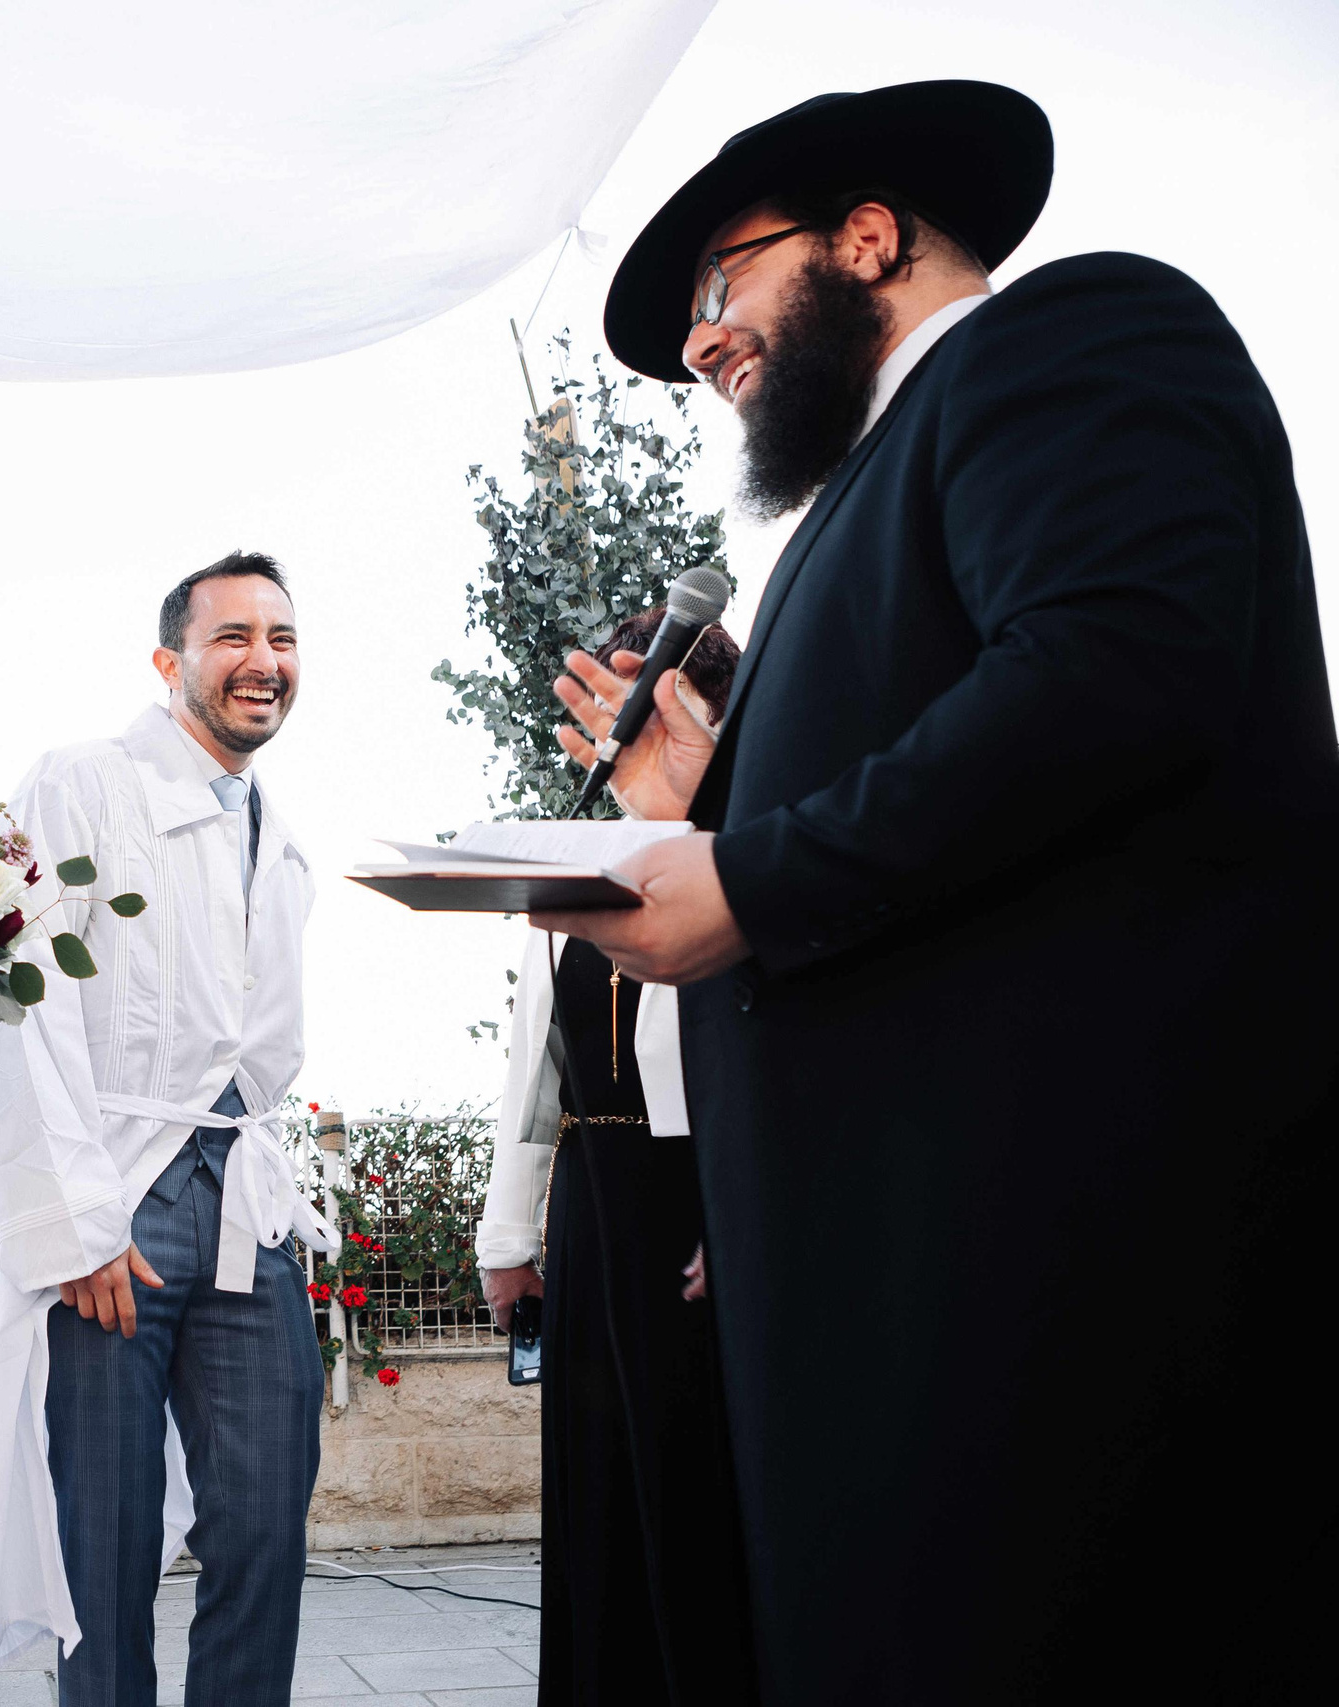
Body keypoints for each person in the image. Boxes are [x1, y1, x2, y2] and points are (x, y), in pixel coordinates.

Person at [535, 81, 1338, 1701]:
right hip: (896, 1279)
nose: (701, 345)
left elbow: (1118, 667)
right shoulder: (859, 505)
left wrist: (743, 871)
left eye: (717, 287)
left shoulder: (1072, 341)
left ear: (872, 235)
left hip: (1060, 1290)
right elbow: (942, 822)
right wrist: (702, 811)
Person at [0, 553, 334, 1707]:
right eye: (231, 638)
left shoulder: (277, 830)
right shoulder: (81, 782)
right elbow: (15, 999)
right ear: (170, 661)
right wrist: (73, 1219)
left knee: (267, 1519)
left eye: (279, 637)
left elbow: (257, 1042)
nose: (261, 662)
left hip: (242, 1200)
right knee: (104, 1549)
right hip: (115, 1203)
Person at [474, 607, 752, 1707]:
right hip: (594, 1200)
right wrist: (507, 1236)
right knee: (593, 1488)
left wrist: (738, 1214)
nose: (616, 734)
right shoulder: (565, 857)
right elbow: (528, 1078)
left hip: (698, 1194)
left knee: (697, 1480)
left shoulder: (744, 848)